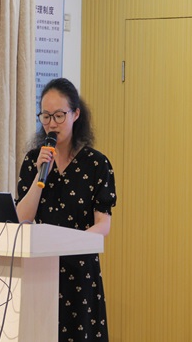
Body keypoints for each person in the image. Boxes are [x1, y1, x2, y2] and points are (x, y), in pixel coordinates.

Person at [16, 77, 117, 342]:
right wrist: (40, 175)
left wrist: (69, 243)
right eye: (46, 116)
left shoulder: (97, 164)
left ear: (75, 114)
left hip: (81, 269)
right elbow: (22, 218)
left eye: (59, 115)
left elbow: (103, 224)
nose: (52, 124)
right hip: (41, 268)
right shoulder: (33, 160)